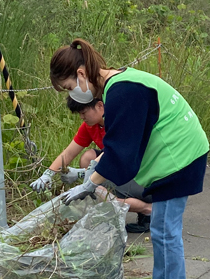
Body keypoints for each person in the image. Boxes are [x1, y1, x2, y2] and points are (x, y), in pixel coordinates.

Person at [49, 39, 209, 279]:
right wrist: (90, 178)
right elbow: (117, 149)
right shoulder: (117, 84)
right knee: (160, 227)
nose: (72, 93)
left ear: (82, 75)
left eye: (68, 87)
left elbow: (122, 153)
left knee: (165, 230)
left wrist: (91, 182)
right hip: (175, 156)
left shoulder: (122, 91)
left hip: (181, 157)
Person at [29, 96, 153, 233]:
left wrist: (80, 174)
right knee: (88, 157)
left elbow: (116, 161)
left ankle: (148, 209)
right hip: (121, 171)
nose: (82, 117)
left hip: (144, 177)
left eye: (84, 113)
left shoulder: (118, 123)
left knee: (99, 190)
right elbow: (69, 153)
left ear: (100, 106)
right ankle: (109, 211)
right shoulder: (91, 126)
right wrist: (48, 174)